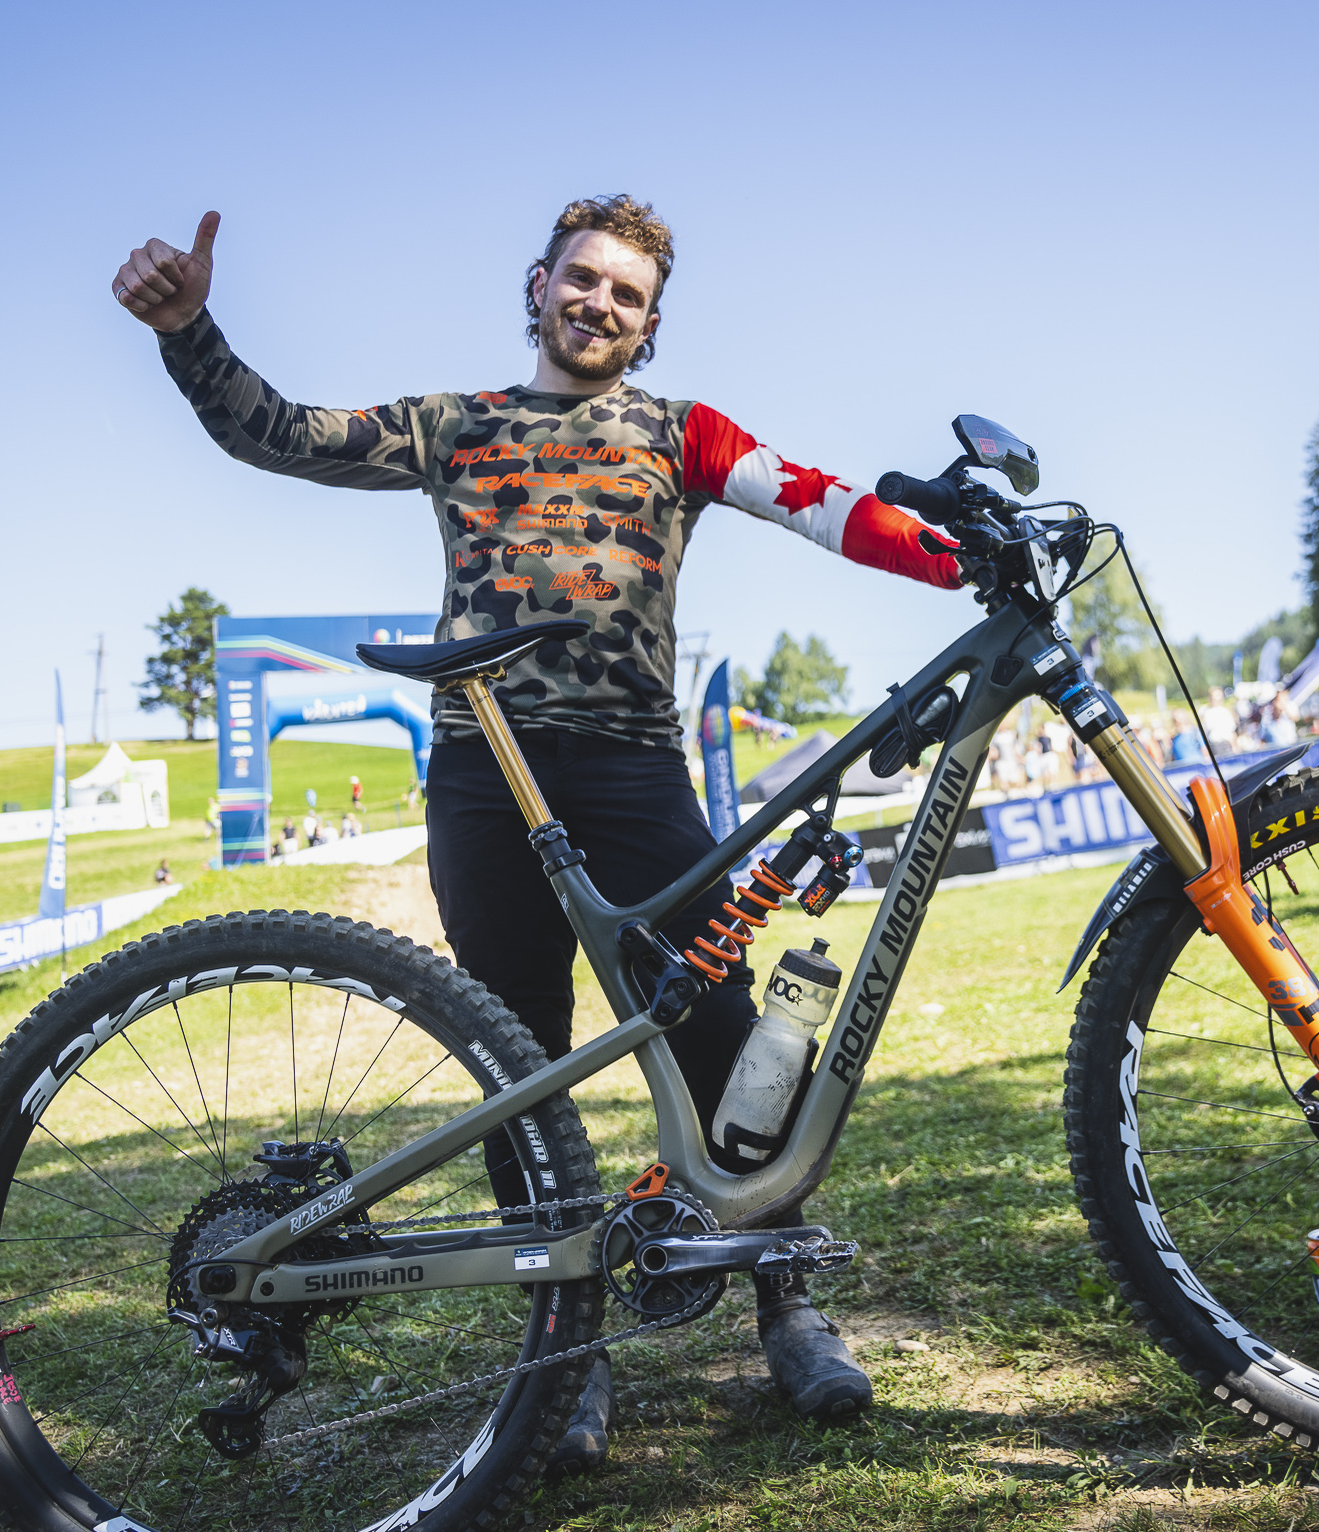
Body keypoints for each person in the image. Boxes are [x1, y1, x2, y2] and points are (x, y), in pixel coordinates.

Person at [117, 193, 949, 1457]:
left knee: (725, 1029)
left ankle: (786, 1296)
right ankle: (569, 1345)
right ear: (538, 285)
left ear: (650, 320)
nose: (597, 303)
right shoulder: (459, 424)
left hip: (630, 771)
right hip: (481, 773)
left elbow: (823, 504)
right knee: (522, 1066)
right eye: (580, 279)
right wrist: (191, 332)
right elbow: (284, 434)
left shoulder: (681, 432)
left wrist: (958, 561)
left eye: (624, 291)